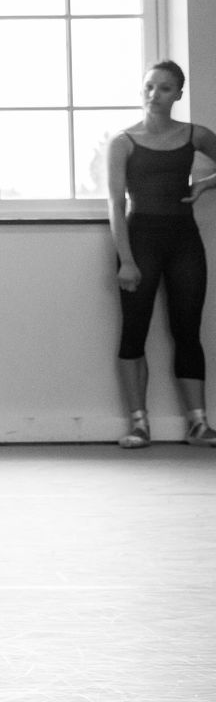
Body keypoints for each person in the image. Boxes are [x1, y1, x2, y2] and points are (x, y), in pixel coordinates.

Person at [106, 59, 216, 448]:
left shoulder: (195, 135)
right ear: (142, 90)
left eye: (165, 88)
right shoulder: (123, 141)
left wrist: (205, 184)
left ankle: (199, 425)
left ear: (178, 94)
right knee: (134, 331)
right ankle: (138, 424)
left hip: (184, 239)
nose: (155, 95)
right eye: (149, 87)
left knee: (187, 330)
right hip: (140, 241)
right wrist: (127, 260)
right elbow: (116, 205)